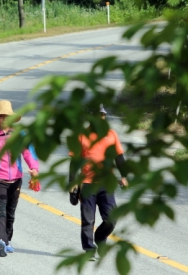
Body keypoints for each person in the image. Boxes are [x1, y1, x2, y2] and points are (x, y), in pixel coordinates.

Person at [0, 100, 40, 257]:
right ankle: (0, 241)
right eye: (0, 117)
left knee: (11, 212)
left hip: (16, 179)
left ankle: (8, 240)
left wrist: (34, 169)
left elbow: (28, 152)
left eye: (6, 116)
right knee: (0, 210)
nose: (3, 119)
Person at [68, 105, 128, 261]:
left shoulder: (111, 134)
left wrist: (124, 176)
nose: (100, 118)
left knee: (111, 219)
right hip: (87, 184)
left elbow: (119, 157)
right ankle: (89, 250)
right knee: (88, 220)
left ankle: (100, 237)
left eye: (102, 115)